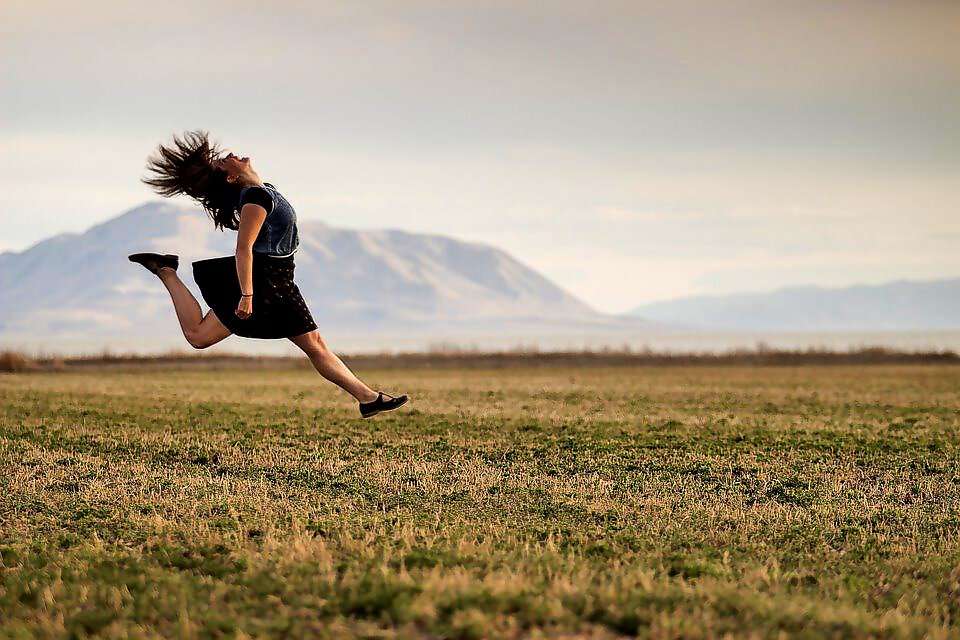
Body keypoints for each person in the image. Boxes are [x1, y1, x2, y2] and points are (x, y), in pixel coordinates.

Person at [129, 130, 407, 418]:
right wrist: (247, 295)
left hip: (276, 278)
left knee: (201, 336)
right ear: (231, 177)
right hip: (266, 281)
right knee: (310, 344)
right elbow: (244, 249)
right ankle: (368, 398)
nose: (231, 155)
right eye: (225, 161)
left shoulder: (263, 191)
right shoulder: (256, 198)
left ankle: (166, 270)